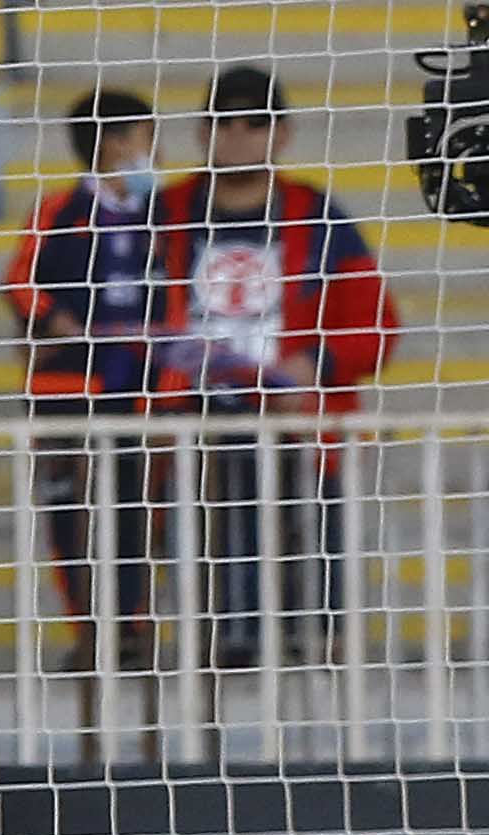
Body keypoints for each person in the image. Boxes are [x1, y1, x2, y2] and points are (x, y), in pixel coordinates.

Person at [151, 65, 398, 668]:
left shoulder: (317, 213)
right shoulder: (164, 212)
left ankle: (321, 655)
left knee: (312, 561)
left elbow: (378, 321)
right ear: (201, 132)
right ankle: (203, 659)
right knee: (197, 565)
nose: (237, 136)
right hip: (191, 419)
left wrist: (314, 363)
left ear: (281, 134)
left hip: (295, 422)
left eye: (254, 122)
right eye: (222, 122)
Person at [7, 88, 163, 670]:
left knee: (138, 508)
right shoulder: (58, 212)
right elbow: (19, 279)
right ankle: (88, 632)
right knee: (70, 513)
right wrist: (54, 320)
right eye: (147, 137)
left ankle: (134, 630)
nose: (155, 150)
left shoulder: (165, 214)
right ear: (115, 143)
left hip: (144, 389)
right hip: (67, 391)